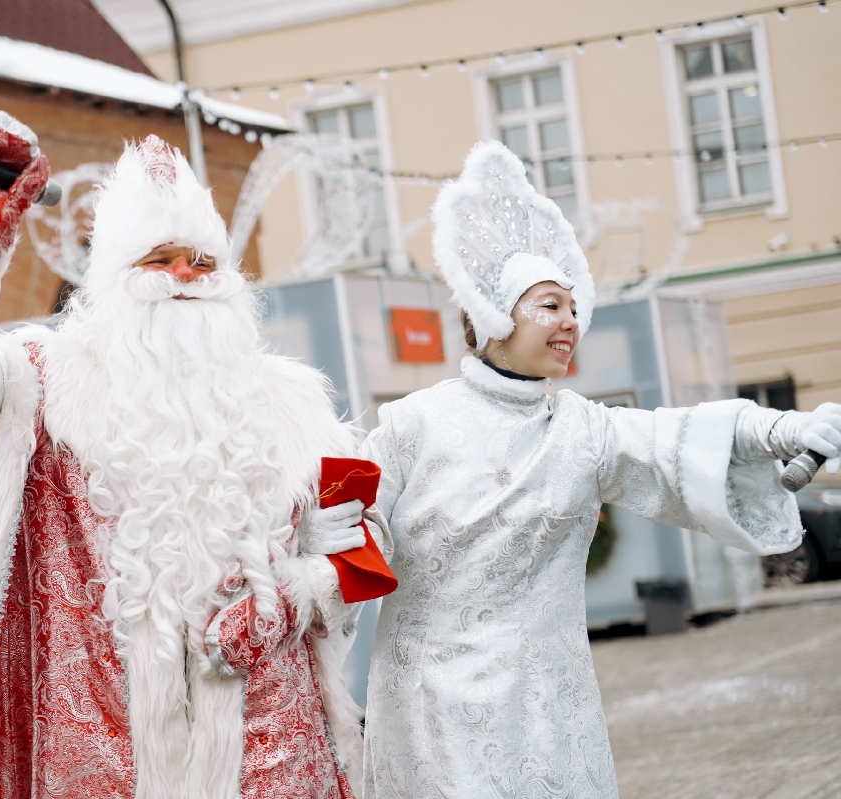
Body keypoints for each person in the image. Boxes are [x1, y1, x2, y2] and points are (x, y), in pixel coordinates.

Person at [0, 112, 383, 798]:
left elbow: (365, 549)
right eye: (159, 259)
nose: (186, 274)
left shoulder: (296, 404)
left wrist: (295, 596)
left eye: (204, 261)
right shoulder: (46, 383)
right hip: (98, 748)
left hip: (271, 744)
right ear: (114, 278)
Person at [358, 140, 841, 799]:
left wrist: (786, 429)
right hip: (431, 713)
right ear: (493, 316)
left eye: (573, 307)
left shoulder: (581, 428)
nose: (570, 322)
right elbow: (344, 527)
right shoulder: (413, 423)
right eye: (548, 305)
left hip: (550, 712)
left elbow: (677, 439)